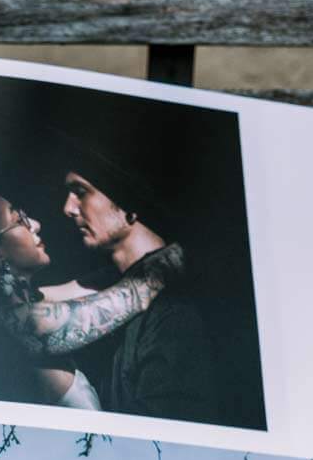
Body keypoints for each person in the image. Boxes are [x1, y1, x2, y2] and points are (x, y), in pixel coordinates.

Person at [0, 191, 184, 410]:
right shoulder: (9, 324)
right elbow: (133, 293)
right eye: (19, 220)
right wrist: (179, 255)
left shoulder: (36, 301)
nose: (35, 224)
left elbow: (99, 283)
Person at [59, 167, 224, 424]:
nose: (68, 208)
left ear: (130, 207)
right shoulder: (111, 285)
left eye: (81, 192)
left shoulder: (174, 309)